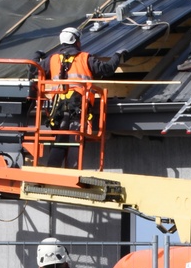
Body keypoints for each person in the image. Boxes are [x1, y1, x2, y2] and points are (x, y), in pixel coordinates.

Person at [37, 26, 128, 166]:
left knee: (60, 139)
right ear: (76, 41)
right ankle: (73, 171)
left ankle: (52, 169)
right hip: (79, 107)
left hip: (58, 108)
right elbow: (107, 69)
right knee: (75, 139)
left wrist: (37, 56)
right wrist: (117, 55)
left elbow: (33, 70)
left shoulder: (52, 59)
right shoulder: (85, 58)